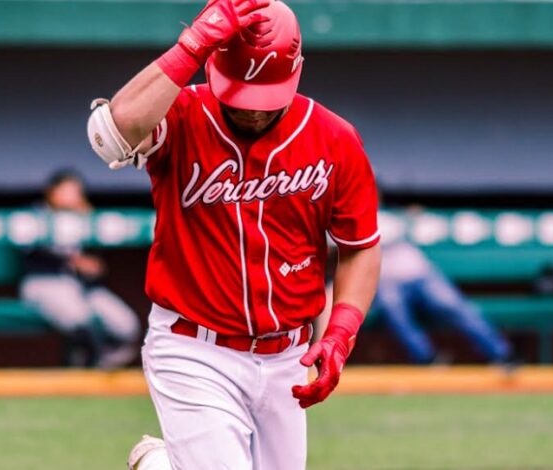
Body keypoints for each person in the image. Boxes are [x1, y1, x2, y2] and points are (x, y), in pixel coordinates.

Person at [86, 1, 381, 468]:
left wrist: (341, 334)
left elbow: (360, 246)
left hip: (288, 355)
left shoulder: (334, 138)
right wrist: (191, 47)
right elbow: (111, 135)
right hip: (193, 349)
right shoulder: (183, 113)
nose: (255, 113)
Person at [19, 170, 141, 368]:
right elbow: (33, 253)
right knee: (82, 323)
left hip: (80, 288)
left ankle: (98, 370)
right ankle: (78, 376)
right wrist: (71, 261)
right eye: (66, 192)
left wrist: (89, 226)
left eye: (76, 192)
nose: (72, 197)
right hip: (45, 283)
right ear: (51, 192)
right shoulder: (34, 215)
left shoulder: (83, 218)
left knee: (126, 327)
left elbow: (95, 263)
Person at [373, 210, 513, 366]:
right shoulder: (352, 215)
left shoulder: (393, 215)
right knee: (392, 308)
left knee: (452, 304)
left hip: (421, 276)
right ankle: (428, 359)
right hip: (386, 281)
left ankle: (500, 355)